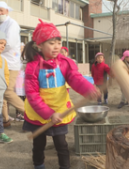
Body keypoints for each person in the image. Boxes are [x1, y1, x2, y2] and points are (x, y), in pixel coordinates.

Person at [22, 19, 99, 169]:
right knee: (39, 144)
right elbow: (32, 95)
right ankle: (39, 165)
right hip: (39, 113)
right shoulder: (33, 67)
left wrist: (88, 89)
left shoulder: (64, 62)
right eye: (51, 43)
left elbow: (75, 78)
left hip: (59, 108)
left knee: (62, 145)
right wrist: (49, 114)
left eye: (58, 41)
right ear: (39, 45)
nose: (57, 46)